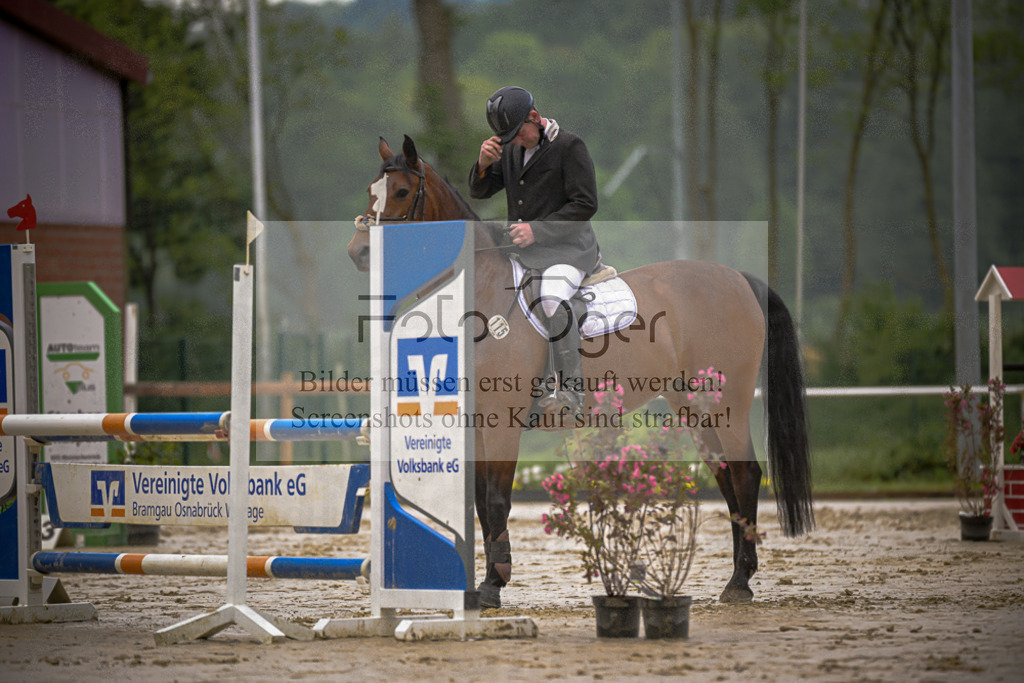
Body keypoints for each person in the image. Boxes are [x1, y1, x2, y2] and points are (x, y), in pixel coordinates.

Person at [468, 86, 600, 416]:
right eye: (507, 137)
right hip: (527, 254)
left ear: (534, 118)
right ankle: (533, 392)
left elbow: (585, 204)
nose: (513, 141)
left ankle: (572, 390)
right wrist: (483, 164)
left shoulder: (569, 146)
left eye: (517, 133)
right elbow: (480, 191)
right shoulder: (513, 150)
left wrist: (537, 230)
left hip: (568, 250)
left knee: (551, 300)